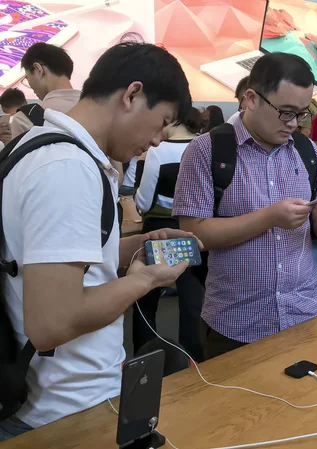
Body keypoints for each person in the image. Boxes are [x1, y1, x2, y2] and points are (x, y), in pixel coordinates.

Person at [0, 42, 194, 441]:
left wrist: (136, 244)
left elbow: (55, 259)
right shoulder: (67, 169)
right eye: (162, 122)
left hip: (62, 399)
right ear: (132, 94)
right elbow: (52, 323)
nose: (158, 140)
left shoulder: (43, 147)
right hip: (68, 411)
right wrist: (146, 280)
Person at [173, 52, 317, 360]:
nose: (293, 123)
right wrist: (269, 217)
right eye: (285, 112)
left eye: (302, 113)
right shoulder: (206, 150)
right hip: (237, 324)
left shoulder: (306, 150)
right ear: (251, 99)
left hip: (307, 311)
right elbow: (193, 236)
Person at [133, 107, 205, 361]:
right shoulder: (203, 146)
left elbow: (142, 201)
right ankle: (194, 359)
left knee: (146, 297)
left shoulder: (157, 152)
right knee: (192, 299)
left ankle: (146, 357)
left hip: (159, 231)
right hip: (194, 229)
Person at [11, 43, 81, 136]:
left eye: (27, 78)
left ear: (38, 69)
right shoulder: (98, 107)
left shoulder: (24, 119)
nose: (30, 85)